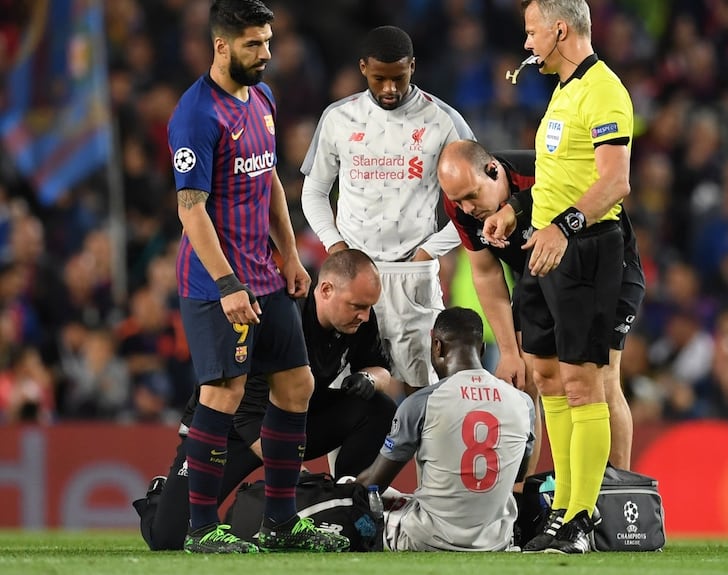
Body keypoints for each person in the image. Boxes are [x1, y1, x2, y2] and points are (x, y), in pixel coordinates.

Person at [167, 0, 347, 554]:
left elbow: (267, 179)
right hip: (214, 283)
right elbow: (191, 209)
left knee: (297, 386)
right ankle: (201, 530)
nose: (265, 54)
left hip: (265, 277)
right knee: (223, 394)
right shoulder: (196, 114)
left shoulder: (262, 98)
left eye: (267, 42)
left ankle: (282, 521)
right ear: (221, 45)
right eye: (253, 44)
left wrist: (290, 255)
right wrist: (227, 286)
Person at [481, 0, 633, 554]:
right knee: (546, 378)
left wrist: (563, 229)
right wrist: (516, 213)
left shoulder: (605, 91)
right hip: (545, 248)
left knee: (581, 382)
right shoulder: (563, 92)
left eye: (531, 32)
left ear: (560, 30)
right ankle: (561, 513)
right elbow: (557, 179)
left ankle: (581, 517)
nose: (527, 44)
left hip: (585, 249)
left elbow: (615, 183)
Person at [133, 249, 397, 551]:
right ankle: (161, 496)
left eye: (368, 307)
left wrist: (369, 379)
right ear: (325, 290)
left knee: (377, 407)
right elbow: (244, 413)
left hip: (292, 420)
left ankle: (346, 501)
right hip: (233, 428)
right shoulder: (283, 317)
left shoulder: (359, 320)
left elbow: (381, 369)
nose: (364, 315)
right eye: (357, 306)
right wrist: (291, 473)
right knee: (168, 538)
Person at [437, 139, 645, 474]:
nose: (465, 208)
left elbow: (608, 192)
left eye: (472, 196)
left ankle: (614, 498)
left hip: (605, 270)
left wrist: (517, 208)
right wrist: (507, 351)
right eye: (457, 200)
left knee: (601, 379)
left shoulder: (544, 173)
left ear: (493, 170)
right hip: (538, 276)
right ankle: (524, 499)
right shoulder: (460, 206)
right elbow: (487, 274)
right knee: (527, 382)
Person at [301, 25, 475, 398]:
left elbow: (479, 202)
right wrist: (335, 247)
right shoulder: (338, 118)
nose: (390, 88)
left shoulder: (444, 121)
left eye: (399, 77)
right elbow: (313, 191)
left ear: (413, 66)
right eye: (380, 78)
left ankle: (424, 460)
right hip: (353, 276)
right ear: (363, 67)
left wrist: (432, 249)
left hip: (411, 276)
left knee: (424, 393)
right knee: (344, 388)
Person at [355, 307, 535, 551]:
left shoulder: (421, 402)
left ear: (437, 346)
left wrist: (334, 489)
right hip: (496, 541)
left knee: (357, 493)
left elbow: (374, 483)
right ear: (482, 349)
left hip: (426, 538)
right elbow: (519, 475)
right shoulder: (522, 403)